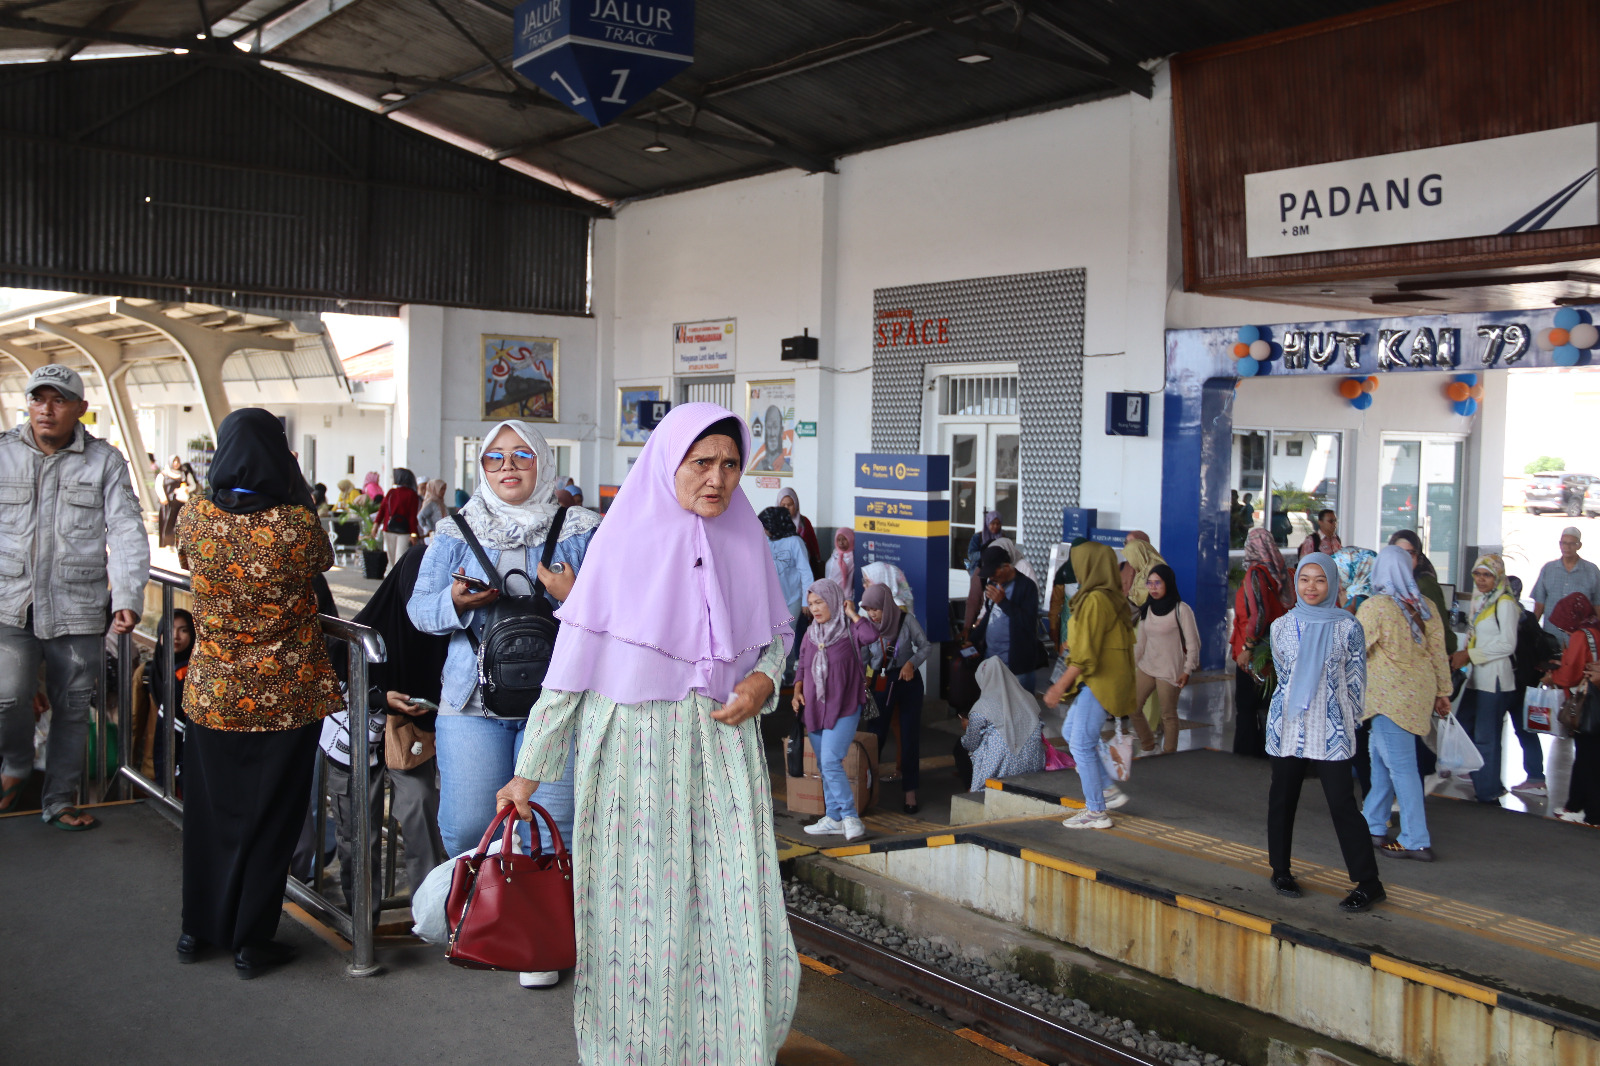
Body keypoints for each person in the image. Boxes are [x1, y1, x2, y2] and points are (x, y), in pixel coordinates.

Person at [494, 403, 799, 1060]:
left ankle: (732, 1049)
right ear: (669, 463)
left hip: (723, 747)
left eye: (729, 465)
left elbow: (776, 635)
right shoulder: (622, 541)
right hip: (634, 753)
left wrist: (764, 683)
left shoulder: (747, 539)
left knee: (733, 907)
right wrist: (530, 768)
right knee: (638, 923)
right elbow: (571, 666)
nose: (717, 479)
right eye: (702, 463)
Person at [176, 408, 344, 976]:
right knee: (271, 819)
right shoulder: (295, 525)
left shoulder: (196, 516)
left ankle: (197, 930)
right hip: (285, 697)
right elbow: (320, 565)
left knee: (208, 814)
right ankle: (251, 940)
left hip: (212, 693)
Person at [406, 420, 599, 860]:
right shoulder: (456, 530)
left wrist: (575, 599)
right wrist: (455, 602)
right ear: (482, 467)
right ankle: (478, 926)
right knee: (469, 831)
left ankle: (543, 929)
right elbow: (418, 611)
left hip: (559, 707)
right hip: (472, 705)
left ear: (543, 462)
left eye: (521, 455)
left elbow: (622, 612)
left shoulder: (583, 530)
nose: (507, 465)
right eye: (495, 457)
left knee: (552, 836)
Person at [0, 365, 148, 827]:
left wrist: (127, 595)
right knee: (7, 697)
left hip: (78, 609)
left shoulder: (105, 461)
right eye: (37, 398)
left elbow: (125, 531)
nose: (46, 409)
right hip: (10, 603)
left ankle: (59, 799)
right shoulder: (3, 453)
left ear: (81, 409)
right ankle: (16, 767)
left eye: (58, 399)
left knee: (71, 707)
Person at [325, 544, 449, 914]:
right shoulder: (365, 628)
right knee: (358, 827)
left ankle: (430, 914)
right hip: (361, 734)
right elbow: (335, 679)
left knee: (421, 813)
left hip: (414, 737)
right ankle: (364, 915)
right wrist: (379, 699)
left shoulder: (439, 624)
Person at [1263, 553, 1384, 913]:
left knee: (1342, 804)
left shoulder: (1348, 627)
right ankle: (1280, 870)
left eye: (1319, 580)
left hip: (1332, 727)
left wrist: (1347, 722)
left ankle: (1369, 882)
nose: (1311, 587)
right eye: (1304, 579)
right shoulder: (1281, 626)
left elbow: (1356, 681)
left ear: (1331, 583)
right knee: (1282, 799)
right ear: (1296, 582)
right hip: (1288, 726)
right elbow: (1283, 677)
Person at [1358, 546, 1451, 861]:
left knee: (1401, 767)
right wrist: (1443, 693)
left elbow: (1354, 648)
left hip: (1388, 697)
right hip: (1417, 694)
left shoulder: (1377, 606)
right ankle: (1372, 822)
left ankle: (1415, 839)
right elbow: (1439, 653)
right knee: (1381, 759)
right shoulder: (1425, 606)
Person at [1044, 541, 1136, 829]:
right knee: (1073, 732)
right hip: (1100, 681)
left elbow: (1084, 656)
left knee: (1081, 742)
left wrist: (1058, 687)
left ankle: (1096, 811)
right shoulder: (1107, 597)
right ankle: (1106, 791)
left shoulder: (1095, 600)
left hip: (1099, 682)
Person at [796, 579, 871, 841]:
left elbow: (871, 635)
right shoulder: (810, 633)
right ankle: (834, 818)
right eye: (811, 603)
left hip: (845, 707)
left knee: (829, 761)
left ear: (835, 600)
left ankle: (850, 817)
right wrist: (796, 690)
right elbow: (803, 664)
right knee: (825, 764)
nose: (815, 609)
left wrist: (851, 612)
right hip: (814, 708)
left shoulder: (850, 629)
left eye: (820, 602)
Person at [851, 582, 932, 813]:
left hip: (908, 681)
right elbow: (864, 656)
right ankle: (866, 787)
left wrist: (911, 663)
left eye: (876, 609)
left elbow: (925, 646)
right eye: (867, 609)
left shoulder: (906, 620)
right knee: (875, 736)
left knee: (909, 736)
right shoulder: (867, 627)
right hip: (881, 682)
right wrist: (866, 677)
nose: (872, 614)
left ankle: (910, 791)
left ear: (887, 605)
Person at [1450, 554, 1520, 804]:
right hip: (1476, 676)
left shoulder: (1505, 603)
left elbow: (1508, 645)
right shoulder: (1480, 600)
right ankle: (1484, 780)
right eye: (1477, 574)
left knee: (1486, 736)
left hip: (1495, 678)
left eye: (1487, 575)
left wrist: (1471, 654)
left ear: (1498, 576)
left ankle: (1488, 790)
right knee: (1465, 726)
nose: (1481, 580)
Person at [1232, 528, 1292, 757]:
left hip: (1256, 652)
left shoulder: (1256, 574)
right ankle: (1272, 752)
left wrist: (1247, 647)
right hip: (1275, 650)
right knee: (1269, 704)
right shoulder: (1280, 574)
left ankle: (1246, 755)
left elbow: (1258, 613)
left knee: (1246, 707)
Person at [1545, 593, 1600, 825]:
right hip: (1596, 701)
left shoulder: (1580, 635)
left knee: (1588, 761)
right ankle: (1575, 806)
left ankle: (1593, 814)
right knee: (1588, 759)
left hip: (1587, 703)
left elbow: (1570, 675)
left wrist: (1552, 675)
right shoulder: (1596, 630)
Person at [1134, 564, 1200, 753]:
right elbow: (1141, 642)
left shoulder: (1182, 610)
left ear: (1168, 584)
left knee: (1168, 715)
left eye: (1158, 583)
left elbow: (1193, 643)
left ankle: (1168, 756)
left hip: (1170, 670)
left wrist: (1187, 670)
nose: (1153, 588)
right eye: (1150, 583)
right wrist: (1132, 666)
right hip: (1147, 666)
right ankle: (1148, 745)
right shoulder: (1148, 608)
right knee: (1133, 707)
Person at [960, 657, 1046, 792]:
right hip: (1033, 767)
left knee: (961, 748)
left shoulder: (982, 707)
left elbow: (971, 744)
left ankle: (972, 790)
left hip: (999, 770)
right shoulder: (1028, 699)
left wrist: (967, 727)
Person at [1507, 574, 1559, 797]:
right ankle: (1536, 777)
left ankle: (1479, 772)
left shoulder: (1505, 616)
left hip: (1509, 681)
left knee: (1488, 727)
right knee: (1525, 731)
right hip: (1528, 682)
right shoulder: (1528, 617)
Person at [972, 543, 1047, 693]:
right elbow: (989, 614)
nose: (992, 578)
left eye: (994, 573)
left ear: (1006, 566)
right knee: (993, 710)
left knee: (1020, 712)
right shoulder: (993, 583)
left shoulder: (1027, 587)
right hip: (992, 662)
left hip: (1016, 666)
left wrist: (1003, 602)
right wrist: (973, 639)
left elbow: (1028, 623)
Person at [761, 504, 813, 683]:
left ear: (775, 524)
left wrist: (807, 601)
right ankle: (770, 674)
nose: (764, 530)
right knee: (769, 639)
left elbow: (805, 571)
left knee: (786, 637)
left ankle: (788, 671)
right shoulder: (763, 540)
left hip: (793, 599)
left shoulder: (795, 542)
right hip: (770, 601)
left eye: (766, 526)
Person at [146, 608, 194, 795]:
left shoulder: (189, 673)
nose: (175, 636)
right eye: (169, 629)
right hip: (156, 763)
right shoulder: (150, 671)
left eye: (183, 630)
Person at [1386, 530, 1457, 656]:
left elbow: (1439, 631)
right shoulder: (1389, 582)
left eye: (1410, 553)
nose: (1404, 559)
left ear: (1418, 556)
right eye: (1398, 553)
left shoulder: (1424, 584)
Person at [1532, 527, 1600, 648]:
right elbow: (1539, 605)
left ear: (1579, 545)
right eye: (1564, 543)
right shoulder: (1548, 569)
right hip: (1551, 634)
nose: (1567, 547)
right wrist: (1531, 631)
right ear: (1560, 544)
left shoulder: (1591, 571)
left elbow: (1597, 605)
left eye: (1572, 544)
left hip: (1580, 636)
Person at [375, 467, 421, 570]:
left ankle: (391, 579)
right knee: (400, 558)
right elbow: (412, 516)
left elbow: (382, 510)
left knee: (391, 559)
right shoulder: (412, 494)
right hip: (405, 531)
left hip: (388, 528)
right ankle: (397, 581)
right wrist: (414, 534)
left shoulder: (391, 492)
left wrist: (376, 525)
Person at [778, 487, 822, 576]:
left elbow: (813, 546)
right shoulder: (774, 524)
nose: (786, 508)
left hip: (803, 569)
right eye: (783, 505)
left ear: (796, 505)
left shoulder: (804, 522)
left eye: (790, 504)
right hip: (782, 571)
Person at [156, 454, 193, 548]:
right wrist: (162, 497)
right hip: (168, 505)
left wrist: (186, 489)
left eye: (177, 461)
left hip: (180, 504)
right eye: (174, 461)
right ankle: (167, 543)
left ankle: (177, 544)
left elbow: (193, 485)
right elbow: (158, 486)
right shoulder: (164, 474)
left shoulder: (184, 473)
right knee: (168, 523)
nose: (176, 463)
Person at [1122, 534, 1166, 608]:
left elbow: (1141, 600)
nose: (1130, 561)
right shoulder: (1142, 568)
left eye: (1131, 556)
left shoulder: (1153, 570)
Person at [825, 527, 855, 595]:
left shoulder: (853, 557)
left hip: (845, 596)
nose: (841, 543)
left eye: (844, 539)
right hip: (830, 593)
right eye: (838, 540)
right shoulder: (835, 554)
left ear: (851, 539)